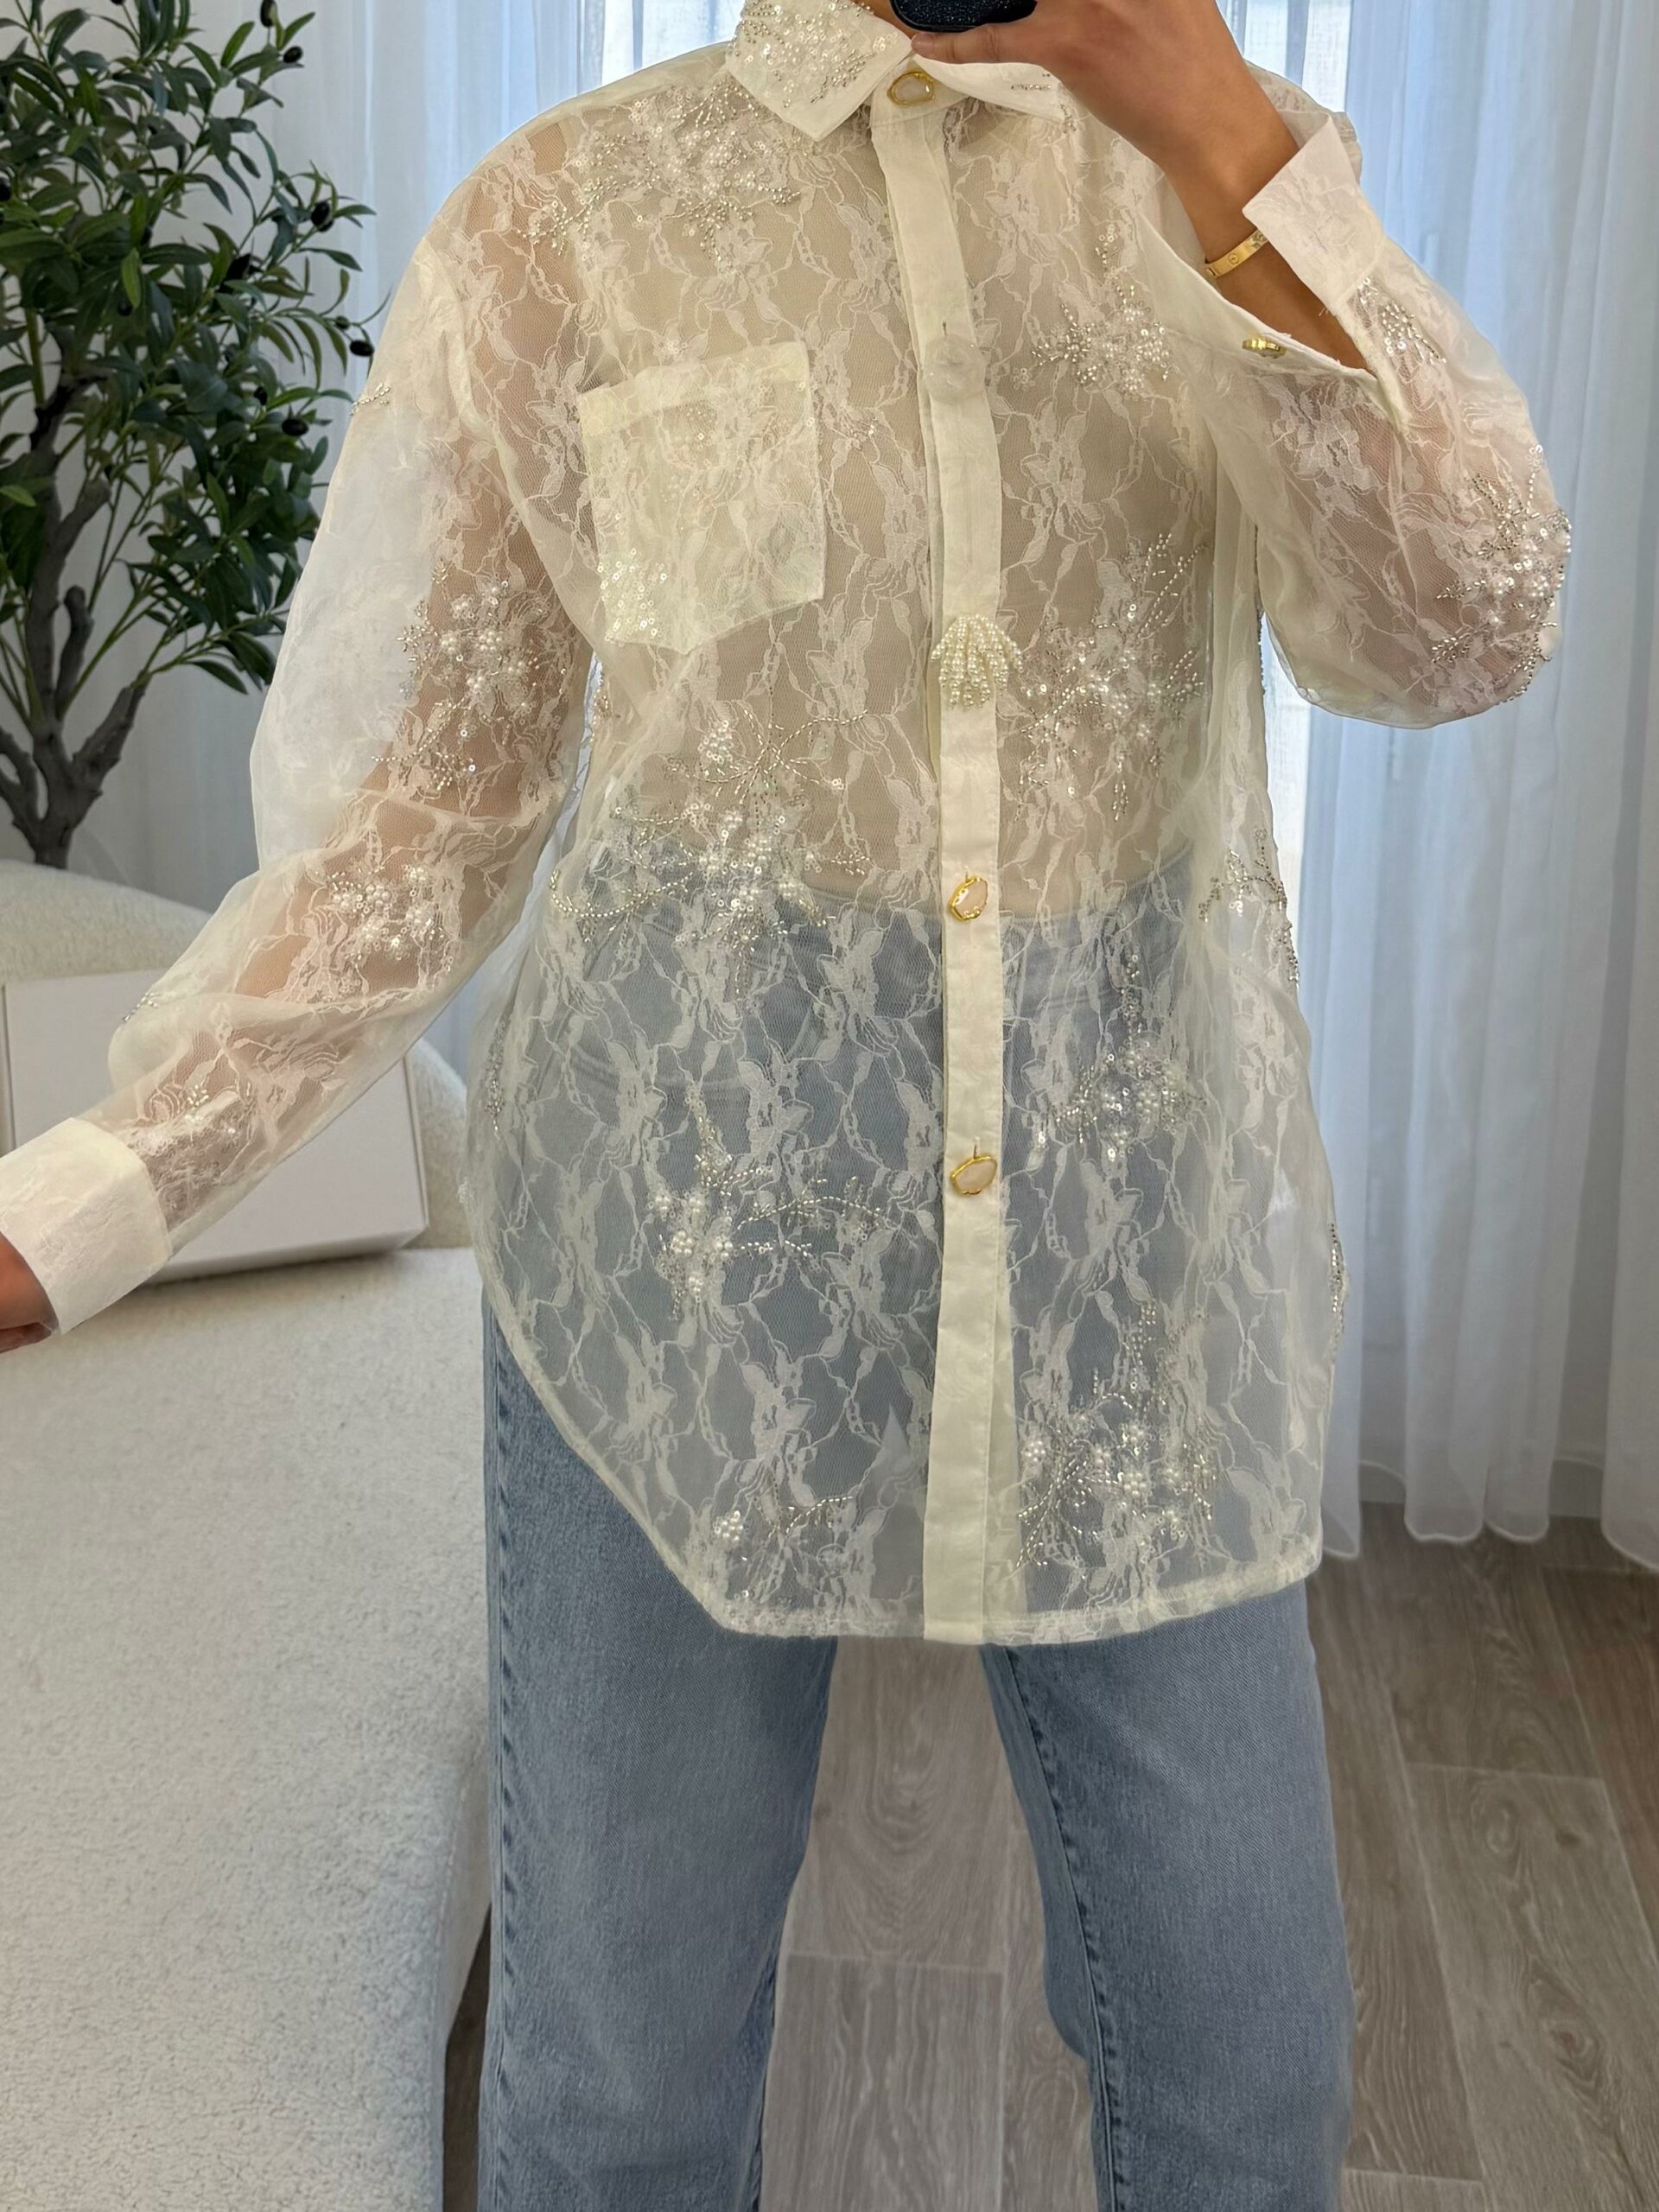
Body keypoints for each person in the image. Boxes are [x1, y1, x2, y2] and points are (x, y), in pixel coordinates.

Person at [0, 0, 1569, 2201]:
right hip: (665, 1264)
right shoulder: (568, 219)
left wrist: (1212, 130)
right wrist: (79, 1200)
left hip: (1133, 1272)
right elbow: (418, 824)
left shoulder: (1233, 171)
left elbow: (1464, 621)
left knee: (1247, 2079)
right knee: (620, 2104)